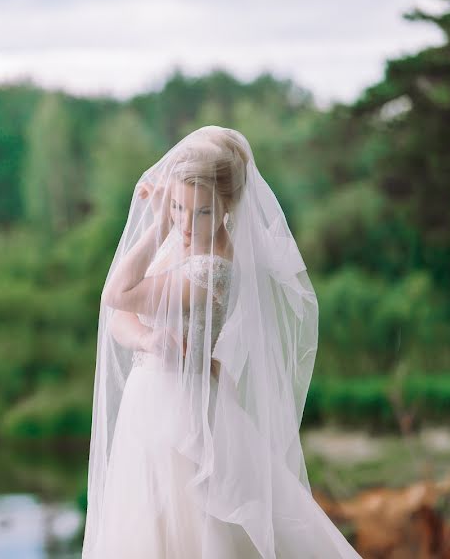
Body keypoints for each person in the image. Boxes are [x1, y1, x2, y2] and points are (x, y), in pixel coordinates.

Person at [81, 126, 363, 558]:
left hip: (183, 409)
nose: (186, 224)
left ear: (229, 206)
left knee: (192, 531)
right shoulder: (183, 243)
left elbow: (115, 294)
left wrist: (157, 224)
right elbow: (120, 317)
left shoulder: (212, 267)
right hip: (152, 402)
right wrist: (149, 336)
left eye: (202, 213)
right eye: (177, 207)